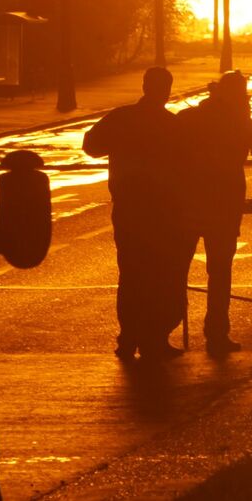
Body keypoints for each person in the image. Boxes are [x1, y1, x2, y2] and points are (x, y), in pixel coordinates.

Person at [83, 67, 185, 360]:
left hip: (129, 209)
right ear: (166, 90)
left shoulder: (122, 118)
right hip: (163, 212)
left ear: (144, 86)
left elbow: (91, 145)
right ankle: (155, 337)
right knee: (160, 274)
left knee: (131, 274)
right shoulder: (171, 125)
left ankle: (128, 337)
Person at [175, 71, 252, 354]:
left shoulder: (189, 119)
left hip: (189, 201)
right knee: (220, 272)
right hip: (223, 205)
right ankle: (217, 332)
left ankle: (162, 329)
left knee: (177, 271)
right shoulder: (243, 123)